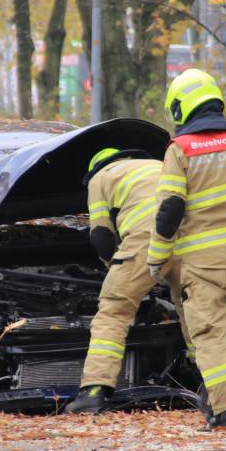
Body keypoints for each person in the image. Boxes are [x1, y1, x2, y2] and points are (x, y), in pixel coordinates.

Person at [147, 69, 226, 429]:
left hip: (204, 264)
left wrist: (157, 258)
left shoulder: (181, 149)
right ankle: (219, 402)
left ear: (181, 109)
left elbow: (169, 210)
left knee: (211, 338)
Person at [64, 148, 193, 414]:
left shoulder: (102, 177)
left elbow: (100, 235)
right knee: (193, 309)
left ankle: (94, 391)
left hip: (144, 242)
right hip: (190, 240)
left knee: (113, 312)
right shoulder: (160, 164)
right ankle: (205, 382)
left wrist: (111, 267)